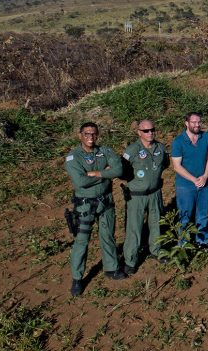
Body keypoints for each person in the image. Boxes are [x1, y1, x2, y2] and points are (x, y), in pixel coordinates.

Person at [65, 122, 126, 296]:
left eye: (93, 134)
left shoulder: (105, 151)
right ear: (80, 135)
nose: (90, 137)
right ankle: (77, 278)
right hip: (85, 205)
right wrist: (105, 173)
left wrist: (95, 173)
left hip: (106, 202)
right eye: (86, 134)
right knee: (81, 241)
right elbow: (80, 182)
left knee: (108, 236)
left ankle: (111, 268)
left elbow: (119, 169)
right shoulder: (73, 157)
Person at [121, 119, 167, 275]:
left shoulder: (160, 148)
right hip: (136, 196)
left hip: (155, 193)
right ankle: (130, 260)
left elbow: (164, 164)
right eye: (146, 130)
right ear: (139, 132)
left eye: (152, 129)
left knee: (157, 224)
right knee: (134, 228)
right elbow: (123, 171)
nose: (150, 133)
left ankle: (157, 250)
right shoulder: (132, 150)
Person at [171, 112, 208, 250]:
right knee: (185, 215)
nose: (197, 125)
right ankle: (183, 243)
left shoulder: (206, 137)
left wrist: (206, 176)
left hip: (204, 183)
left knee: (202, 214)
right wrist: (193, 179)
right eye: (193, 122)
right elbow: (177, 166)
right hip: (185, 186)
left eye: (198, 122)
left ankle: (202, 240)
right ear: (186, 123)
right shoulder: (178, 141)